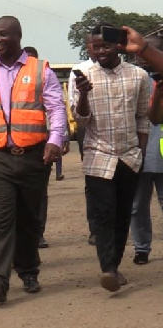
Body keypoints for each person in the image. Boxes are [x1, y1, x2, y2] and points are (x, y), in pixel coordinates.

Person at [0, 16, 67, 304]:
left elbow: (56, 108)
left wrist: (55, 140)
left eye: (3, 35)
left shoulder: (41, 70)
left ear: (18, 36)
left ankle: (29, 270)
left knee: (29, 218)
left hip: (34, 156)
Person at [74, 23, 150, 292]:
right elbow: (82, 121)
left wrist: (140, 152)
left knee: (122, 215)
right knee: (103, 214)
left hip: (129, 157)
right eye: (96, 46)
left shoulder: (138, 76)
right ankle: (108, 268)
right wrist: (83, 93)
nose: (101, 51)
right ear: (90, 48)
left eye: (106, 45)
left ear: (118, 45)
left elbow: (143, 118)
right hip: (98, 156)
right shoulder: (82, 74)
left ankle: (114, 266)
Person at [23, 46, 69, 249]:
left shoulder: (44, 76)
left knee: (39, 193)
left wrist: (60, 138)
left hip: (42, 143)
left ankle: (38, 233)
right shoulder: (14, 83)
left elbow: (56, 108)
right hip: (12, 146)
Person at [130, 34, 163, 265]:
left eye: (150, 51)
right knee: (137, 206)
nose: (142, 57)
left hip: (161, 154)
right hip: (138, 152)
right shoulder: (131, 78)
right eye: (140, 52)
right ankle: (142, 247)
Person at [68, 35, 98, 245]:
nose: (100, 50)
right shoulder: (80, 70)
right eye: (94, 45)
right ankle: (95, 227)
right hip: (88, 128)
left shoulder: (129, 72)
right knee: (93, 179)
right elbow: (73, 103)